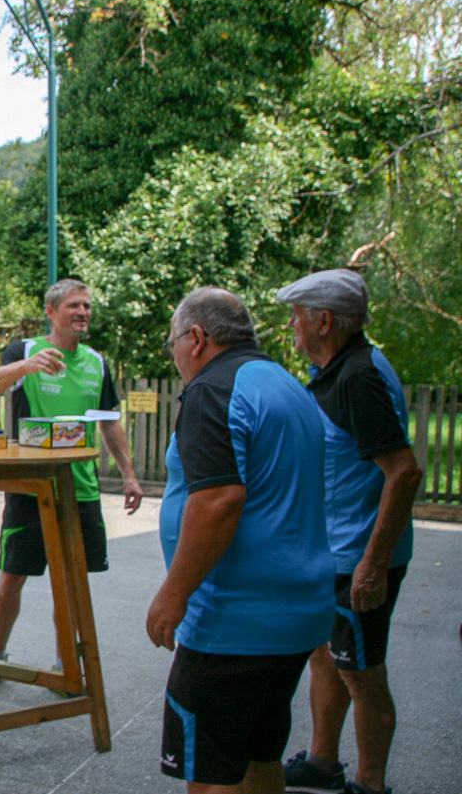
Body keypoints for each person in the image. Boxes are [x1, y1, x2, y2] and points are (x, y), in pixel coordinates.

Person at [147, 287, 335, 794]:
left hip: (233, 622)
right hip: (296, 613)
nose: (176, 357)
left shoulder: (212, 389)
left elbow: (218, 501)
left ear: (196, 338)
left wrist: (173, 595)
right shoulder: (286, 383)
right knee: (259, 756)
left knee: (211, 777)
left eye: (173, 344)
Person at [0, 278, 144, 693]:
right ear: (51, 311)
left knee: (72, 582)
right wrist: (26, 367)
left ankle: (65, 669)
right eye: (74, 305)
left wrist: (129, 475)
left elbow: (109, 422)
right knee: (12, 576)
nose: (83, 313)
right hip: (30, 488)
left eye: (87, 306)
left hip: (80, 490)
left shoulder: (96, 362)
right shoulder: (23, 351)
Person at [277, 269, 423, 794]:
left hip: (358, 555)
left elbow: (403, 472)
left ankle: (370, 784)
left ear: (325, 322)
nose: (291, 325)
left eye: (297, 316)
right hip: (335, 551)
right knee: (328, 657)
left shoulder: (359, 376)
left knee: (362, 673)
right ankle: (322, 762)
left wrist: (373, 565)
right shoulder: (342, 368)